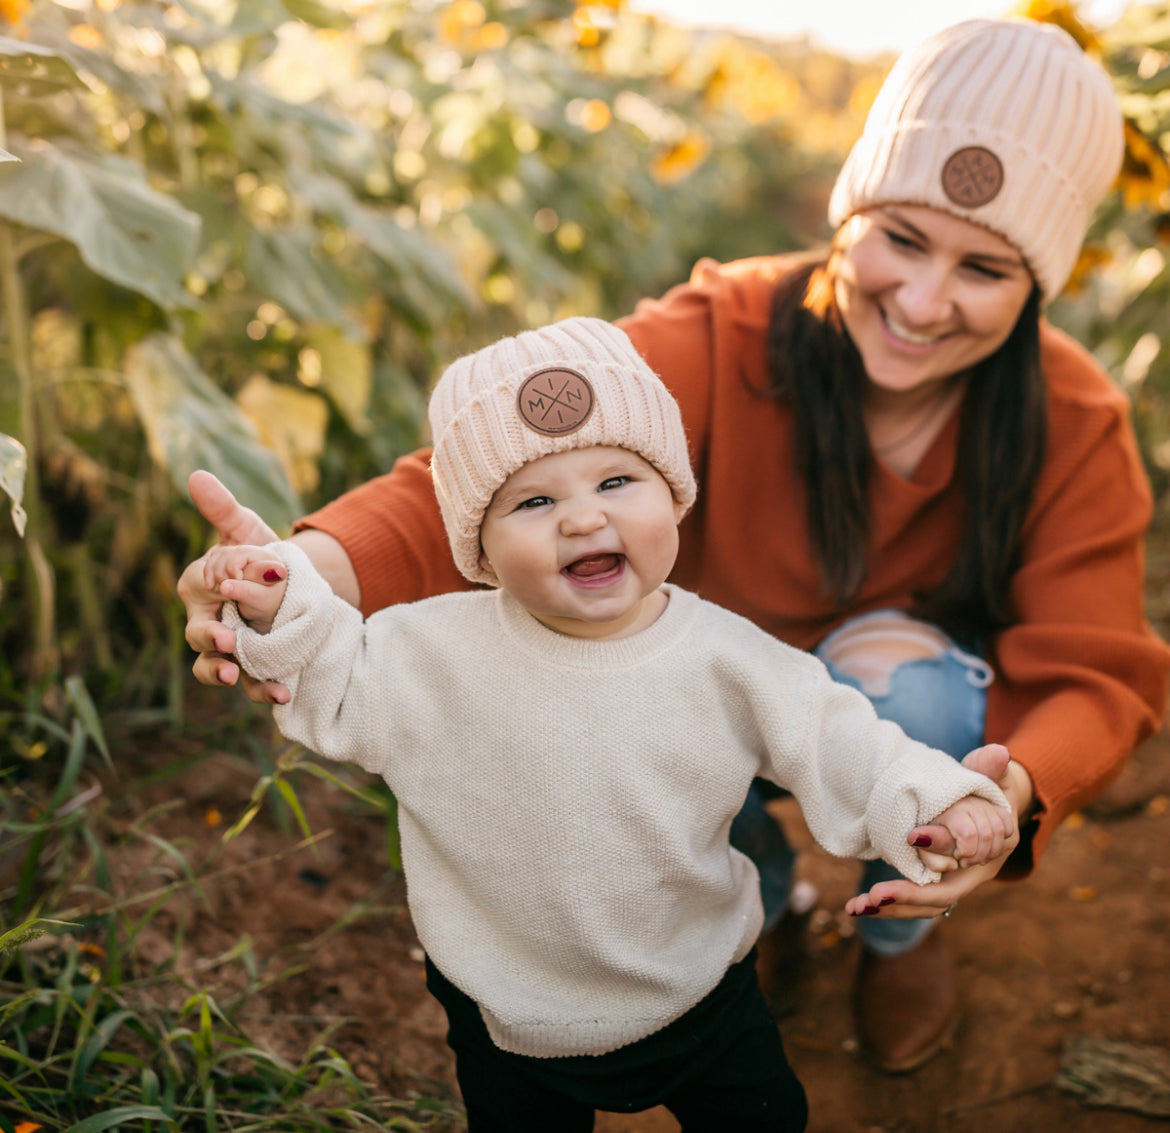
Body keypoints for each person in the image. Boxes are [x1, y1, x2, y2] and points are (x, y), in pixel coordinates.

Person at [179, 17, 1170, 1074]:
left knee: (913, 696)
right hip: (678, 699)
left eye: (984, 267)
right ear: (850, 213)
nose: (923, 301)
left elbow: (1096, 667)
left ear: (1037, 287)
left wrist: (1011, 797)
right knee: (612, 725)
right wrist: (300, 575)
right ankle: (762, 886)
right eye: (902, 238)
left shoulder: (1073, 417)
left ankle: (898, 928)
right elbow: (493, 471)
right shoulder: (719, 330)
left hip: (883, 709)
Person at [198, 317, 1017, 1132]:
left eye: (618, 481)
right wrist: (277, 601)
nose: (584, 519)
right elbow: (331, 673)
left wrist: (939, 801)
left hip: (697, 985)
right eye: (535, 499)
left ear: (675, 492)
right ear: (477, 543)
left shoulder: (728, 658)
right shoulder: (426, 651)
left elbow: (847, 743)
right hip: (506, 1005)